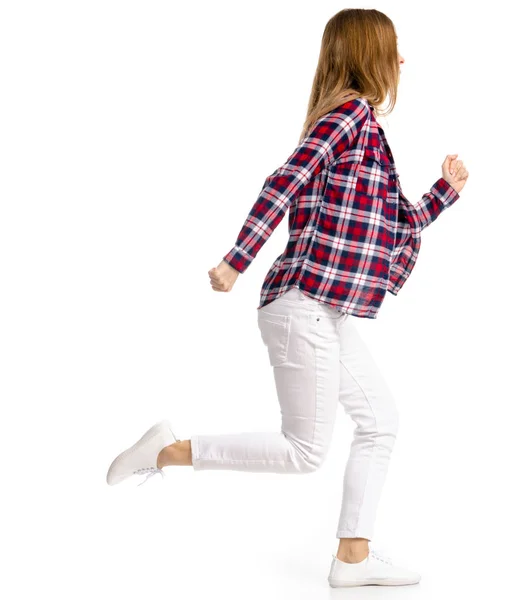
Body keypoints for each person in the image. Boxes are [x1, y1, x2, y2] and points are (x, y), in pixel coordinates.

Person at [106, 8, 469, 588]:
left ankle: (353, 557)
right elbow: (285, 180)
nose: (402, 61)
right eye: (393, 48)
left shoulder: (368, 131)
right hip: (301, 302)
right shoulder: (348, 115)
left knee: (381, 419)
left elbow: (390, 226)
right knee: (305, 451)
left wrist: (443, 194)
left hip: (322, 306)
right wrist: (235, 261)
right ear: (367, 55)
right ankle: (166, 451)